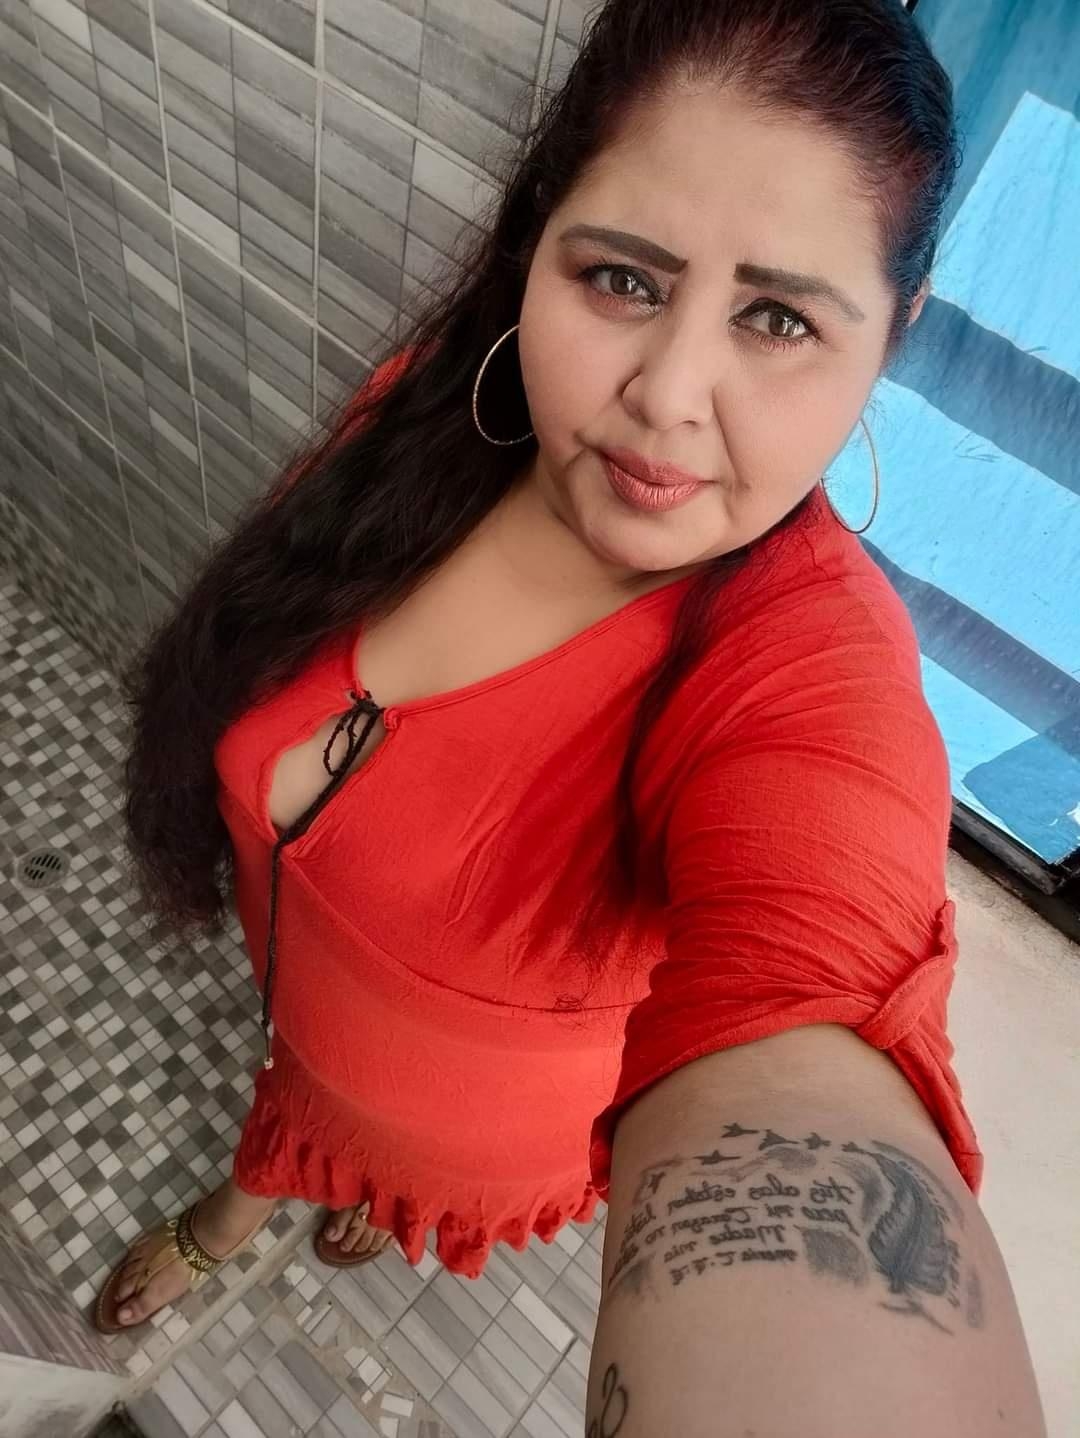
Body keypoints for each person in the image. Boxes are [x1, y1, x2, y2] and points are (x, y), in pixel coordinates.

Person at [94, 0, 1046, 1429]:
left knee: (389, 1160)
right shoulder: (431, 415)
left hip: (482, 1128)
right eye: (620, 280)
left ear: (890, 338)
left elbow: (820, 999)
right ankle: (244, 1206)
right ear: (541, 241)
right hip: (299, 1012)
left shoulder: (800, 670)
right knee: (294, 1104)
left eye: (779, 318)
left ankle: (344, 1204)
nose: (666, 397)